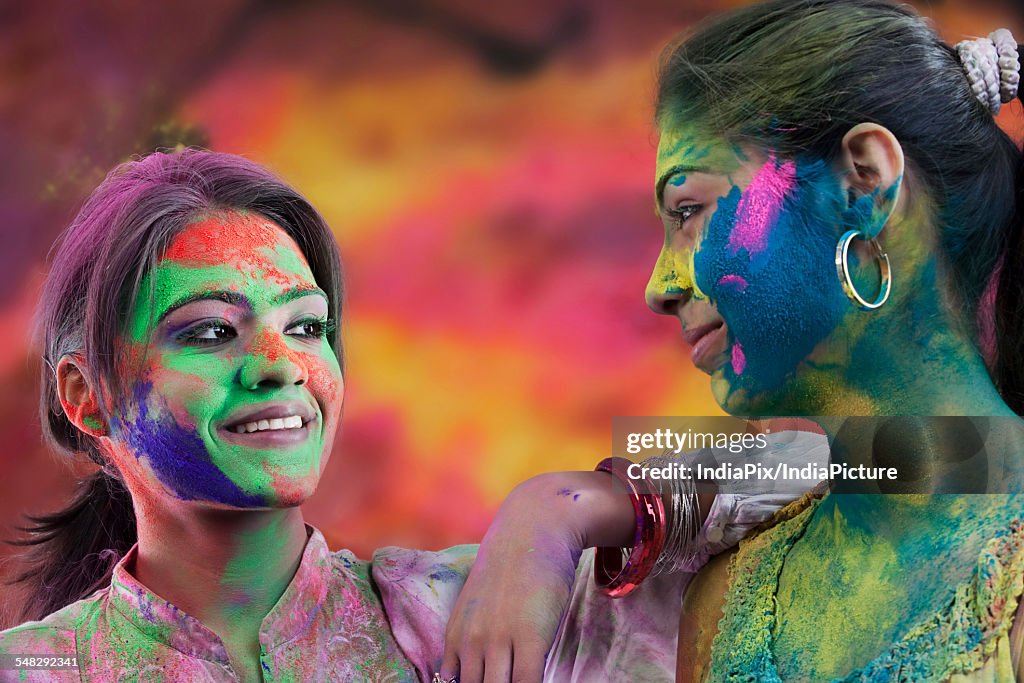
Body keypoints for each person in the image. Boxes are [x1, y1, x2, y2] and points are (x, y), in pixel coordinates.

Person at [444, 0, 1024, 681]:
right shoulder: (733, 600)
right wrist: (548, 508)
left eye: (689, 210)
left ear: (864, 182)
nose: (659, 285)